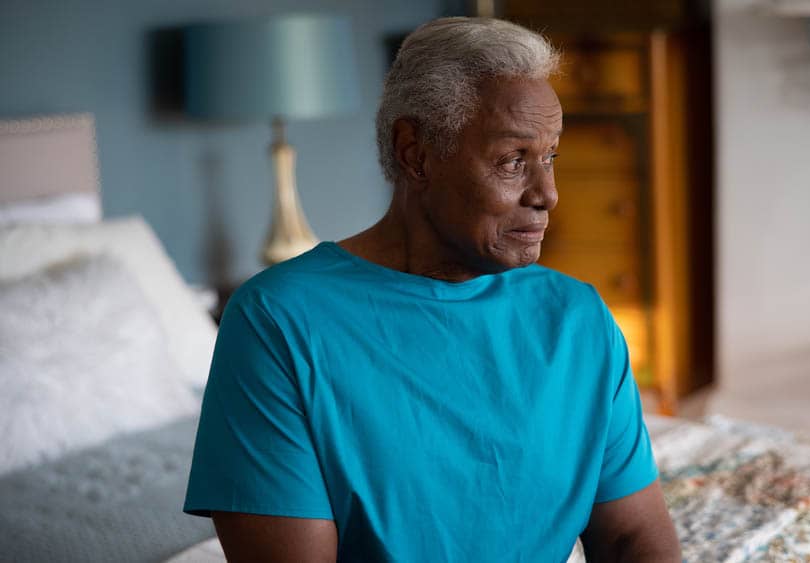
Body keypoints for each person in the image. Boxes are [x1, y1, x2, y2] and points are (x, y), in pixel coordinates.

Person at [184, 16, 681, 562]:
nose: (548, 193)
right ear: (415, 152)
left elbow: (633, 535)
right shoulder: (278, 321)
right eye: (514, 160)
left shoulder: (576, 316)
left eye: (550, 156)